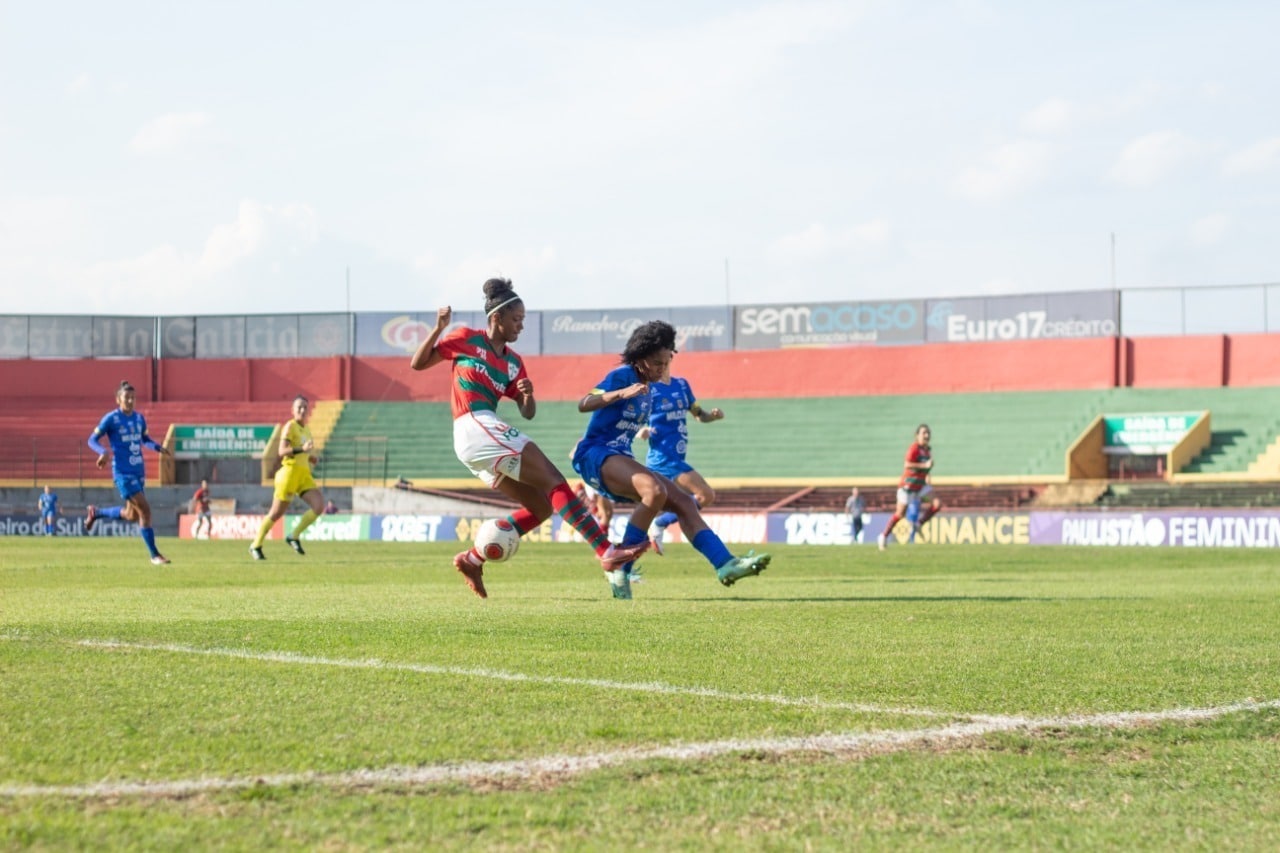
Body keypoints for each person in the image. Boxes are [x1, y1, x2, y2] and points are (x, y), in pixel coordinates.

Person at [409, 277, 647, 599]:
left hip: (480, 436)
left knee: (539, 506)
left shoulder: (513, 362)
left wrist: (526, 395)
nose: (521, 326)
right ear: (497, 318)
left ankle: (473, 559)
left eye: (523, 320)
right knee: (553, 479)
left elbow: (528, 412)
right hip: (473, 423)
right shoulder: (466, 339)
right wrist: (438, 328)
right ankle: (605, 550)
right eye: (516, 319)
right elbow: (418, 363)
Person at [572, 320, 770, 600]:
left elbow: (696, 412)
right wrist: (620, 393)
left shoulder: (652, 386)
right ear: (640, 359)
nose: (662, 369)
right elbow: (584, 403)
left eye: (666, 363)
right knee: (654, 491)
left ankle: (725, 563)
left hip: (620, 457)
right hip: (595, 454)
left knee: (686, 502)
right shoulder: (622, 376)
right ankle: (620, 562)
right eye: (656, 363)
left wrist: (707, 415)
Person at [636, 365, 725, 554]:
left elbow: (699, 415)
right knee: (705, 495)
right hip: (664, 458)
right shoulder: (650, 389)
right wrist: (640, 431)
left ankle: (631, 554)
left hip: (675, 457)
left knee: (658, 505)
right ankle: (659, 524)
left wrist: (713, 417)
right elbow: (635, 418)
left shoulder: (682, 385)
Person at [84, 380, 172, 564]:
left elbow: (144, 439)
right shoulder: (111, 419)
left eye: (133, 397)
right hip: (123, 474)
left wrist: (157, 447)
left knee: (131, 515)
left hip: (139, 471)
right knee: (145, 511)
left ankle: (97, 513)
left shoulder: (139, 418)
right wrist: (103, 452)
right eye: (127, 397)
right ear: (118, 399)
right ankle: (155, 555)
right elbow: (92, 440)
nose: (130, 401)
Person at [249, 395, 326, 560]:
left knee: (319, 506)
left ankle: (294, 536)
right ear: (292, 410)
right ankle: (256, 544)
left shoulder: (306, 430)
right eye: (299, 407)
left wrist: (310, 457)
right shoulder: (289, 427)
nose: (302, 410)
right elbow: (282, 451)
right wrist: (302, 449)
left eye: (305, 407)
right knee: (276, 513)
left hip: (303, 475)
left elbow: (304, 451)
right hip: (289, 474)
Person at [879, 424, 942, 550]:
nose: (927, 435)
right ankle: (883, 535)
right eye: (924, 433)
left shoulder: (927, 450)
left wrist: (928, 475)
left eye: (928, 433)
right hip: (908, 486)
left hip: (920, 486)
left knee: (937, 503)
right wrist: (924, 466)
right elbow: (907, 464)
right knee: (900, 514)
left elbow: (926, 469)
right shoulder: (914, 448)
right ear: (917, 435)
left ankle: (919, 524)